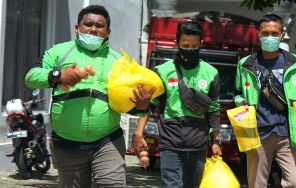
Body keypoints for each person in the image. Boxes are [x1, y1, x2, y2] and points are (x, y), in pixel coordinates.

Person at [25, 5, 154, 187]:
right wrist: (58, 76)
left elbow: (127, 103)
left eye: (99, 26)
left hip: (107, 141)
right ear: (77, 28)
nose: (93, 29)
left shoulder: (119, 61)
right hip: (67, 143)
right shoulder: (58, 52)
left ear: (108, 32)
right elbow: (30, 77)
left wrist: (140, 107)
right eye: (88, 24)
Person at [132, 21, 222, 188]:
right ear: (177, 43)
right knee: (171, 185)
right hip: (170, 142)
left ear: (201, 44)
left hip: (198, 144)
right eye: (185, 45)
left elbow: (214, 110)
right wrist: (139, 133)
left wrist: (216, 141)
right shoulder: (162, 71)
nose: (190, 49)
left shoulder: (211, 73)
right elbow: (150, 106)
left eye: (194, 45)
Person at [234, 14, 296, 188]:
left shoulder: (295, 63)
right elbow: (237, 92)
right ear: (258, 35)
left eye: (274, 33)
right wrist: (240, 101)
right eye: (265, 33)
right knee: (257, 184)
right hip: (257, 132)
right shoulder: (246, 64)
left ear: (282, 35)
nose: (270, 37)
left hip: (287, 132)